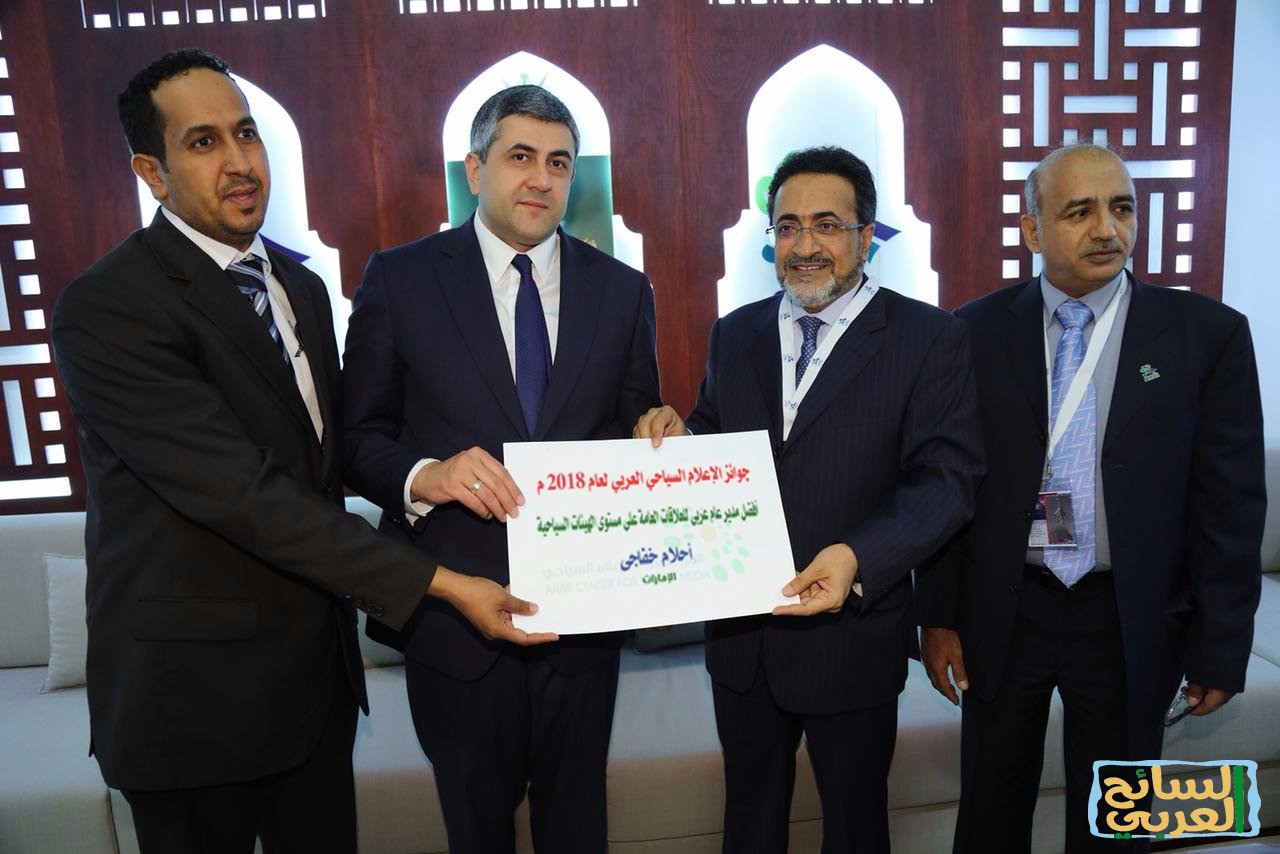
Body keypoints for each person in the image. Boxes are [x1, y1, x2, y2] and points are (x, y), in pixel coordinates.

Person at [51, 48, 550, 854]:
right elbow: (243, 495)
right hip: (192, 702)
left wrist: (429, 473)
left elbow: (333, 453)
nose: (240, 161)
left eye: (246, 134)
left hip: (313, 690)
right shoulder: (108, 307)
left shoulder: (300, 287)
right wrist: (443, 584)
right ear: (152, 172)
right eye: (204, 142)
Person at [916, 142, 1265, 852]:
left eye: (1122, 208)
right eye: (1079, 212)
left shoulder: (1208, 335)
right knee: (990, 810)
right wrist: (939, 616)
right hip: (1006, 610)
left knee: (1117, 822)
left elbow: (1230, 506)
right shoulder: (970, 332)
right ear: (1032, 229)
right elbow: (948, 485)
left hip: (1130, 616)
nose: (1107, 230)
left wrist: (1221, 646)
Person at [634, 146, 983, 853]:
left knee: (855, 829)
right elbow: (716, 436)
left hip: (851, 639)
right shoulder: (736, 333)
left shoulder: (929, 338)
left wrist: (857, 557)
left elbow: (947, 480)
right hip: (743, 641)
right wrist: (678, 435)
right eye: (788, 227)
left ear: (867, 235)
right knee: (749, 825)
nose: (804, 246)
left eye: (827, 225)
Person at [342, 85, 660, 854]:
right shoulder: (399, 279)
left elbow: (635, 429)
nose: (541, 179)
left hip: (584, 618)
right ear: (475, 168)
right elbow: (356, 439)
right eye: (521, 157)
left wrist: (661, 435)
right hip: (454, 617)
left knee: (577, 828)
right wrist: (425, 475)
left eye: (559, 163)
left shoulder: (623, 290)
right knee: (477, 830)